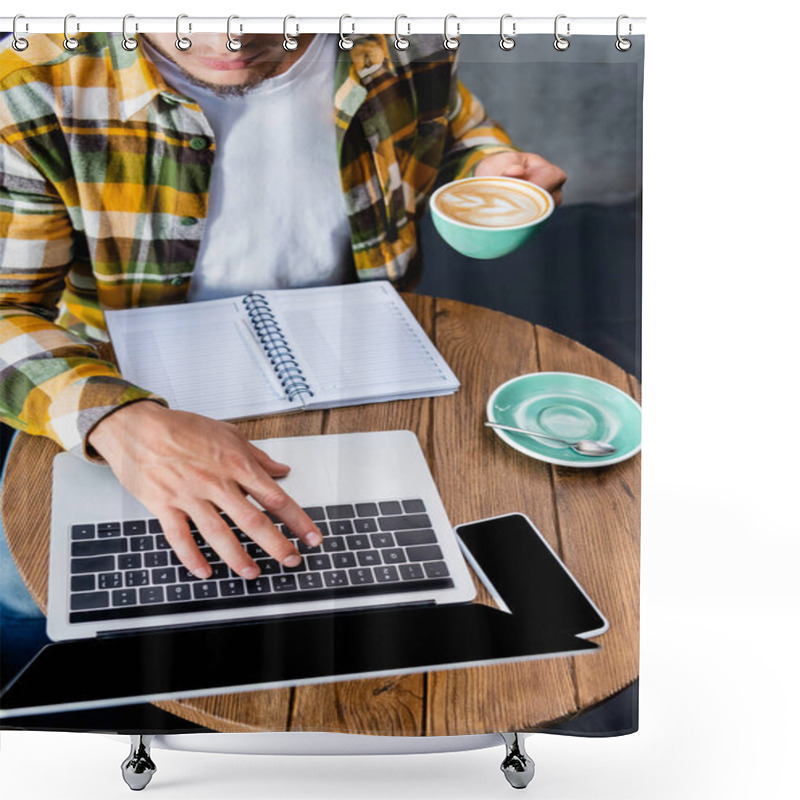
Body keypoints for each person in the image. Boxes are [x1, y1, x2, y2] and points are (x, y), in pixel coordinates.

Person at [0, 31, 566, 588]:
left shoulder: (407, 34)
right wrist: (116, 419)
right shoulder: (31, 84)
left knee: (414, 572)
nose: (230, 39)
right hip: (129, 390)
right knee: (33, 593)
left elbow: (453, 130)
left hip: (360, 365)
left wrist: (489, 167)